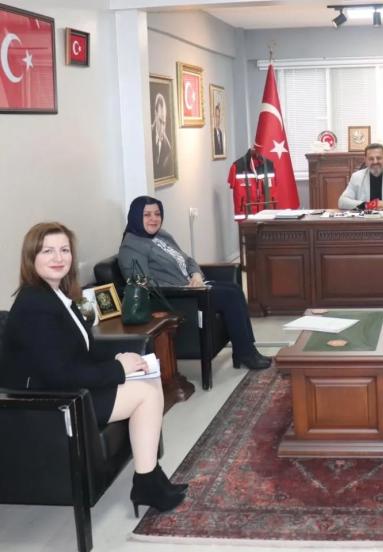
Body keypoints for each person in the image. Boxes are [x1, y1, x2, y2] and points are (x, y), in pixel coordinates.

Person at [1, 222, 187, 515]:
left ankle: (150, 476)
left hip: (69, 389)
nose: (58, 258)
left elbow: (80, 350)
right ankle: (147, 483)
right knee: (146, 394)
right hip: (53, 405)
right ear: (31, 257)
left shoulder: (56, 295)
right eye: (47, 251)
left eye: (64, 250)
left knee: (146, 376)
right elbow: (60, 375)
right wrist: (117, 369)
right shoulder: (35, 305)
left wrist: (123, 360)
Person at [118, 196, 272, 370]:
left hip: (193, 286)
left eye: (157, 214)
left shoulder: (162, 235)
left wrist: (196, 275)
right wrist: (183, 288)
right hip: (179, 298)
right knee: (230, 296)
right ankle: (246, 353)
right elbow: (141, 284)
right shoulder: (131, 246)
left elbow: (188, 260)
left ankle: (245, 350)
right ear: (135, 216)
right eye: (147, 215)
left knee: (234, 289)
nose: (154, 219)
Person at [151, 92, 174, 180]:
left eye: (164, 123)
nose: (162, 128)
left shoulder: (168, 149)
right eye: (160, 121)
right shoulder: (147, 136)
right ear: (155, 114)